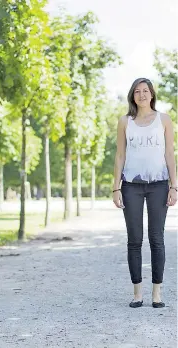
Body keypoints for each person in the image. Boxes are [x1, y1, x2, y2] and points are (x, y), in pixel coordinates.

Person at [113, 77, 177, 308]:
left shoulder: (164, 120)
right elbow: (120, 156)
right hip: (131, 185)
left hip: (159, 184)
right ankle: (137, 293)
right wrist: (116, 187)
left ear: (152, 95)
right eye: (137, 91)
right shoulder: (124, 122)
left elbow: (170, 154)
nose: (141, 95)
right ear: (132, 95)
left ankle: (156, 293)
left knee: (157, 239)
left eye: (146, 91)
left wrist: (174, 185)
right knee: (134, 240)